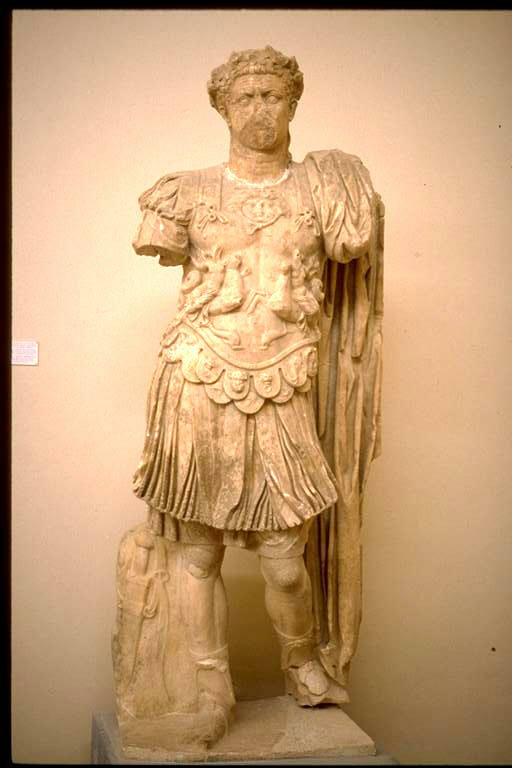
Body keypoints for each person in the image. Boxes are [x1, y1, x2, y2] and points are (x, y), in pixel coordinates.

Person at [113, 46, 384, 751]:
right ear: (223, 108)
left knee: (285, 556)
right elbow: (158, 244)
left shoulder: (325, 190)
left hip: (284, 379)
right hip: (198, 378)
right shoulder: (184, 192)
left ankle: (302, 663)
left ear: (294, 104)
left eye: (273, 96)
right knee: (197, 554)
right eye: (246, 98)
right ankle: (208, 689)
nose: (260, 109)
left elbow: (353, 245)